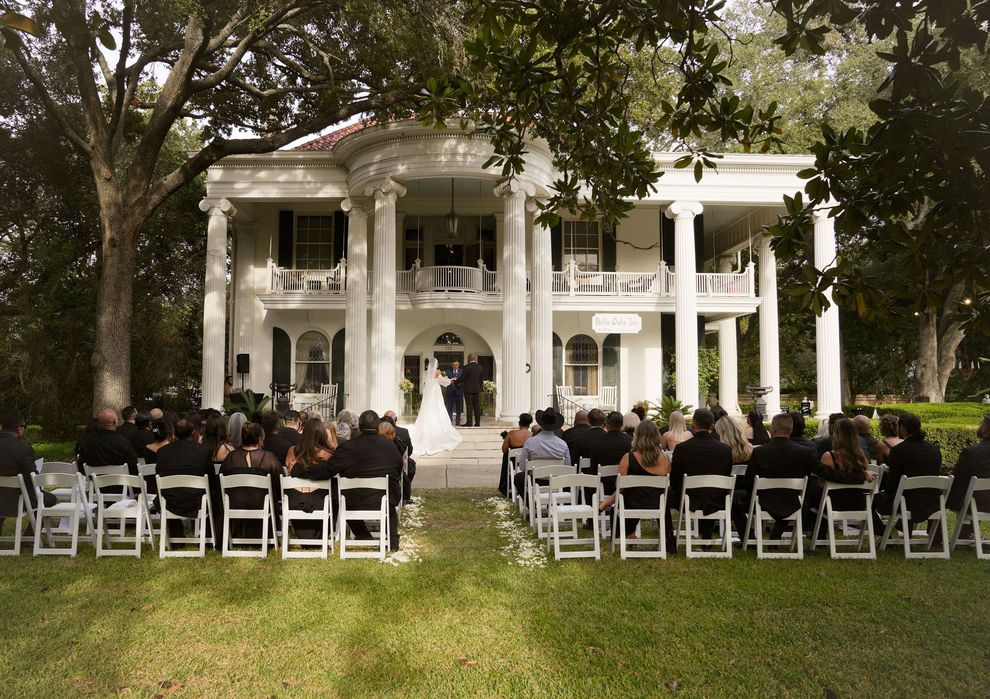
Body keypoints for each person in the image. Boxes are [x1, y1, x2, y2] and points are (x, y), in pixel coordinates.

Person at [323, 410, 403, 551]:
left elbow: (329, 470)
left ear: (358, 426)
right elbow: (398, 469)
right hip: (383, 499)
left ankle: (363, 534)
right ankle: (392, 540)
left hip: (352, 500)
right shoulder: (391, 447)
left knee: (338, 492)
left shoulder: (347, 447)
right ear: (378, 427)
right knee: (390, 495)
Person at [742, 414, 818, 538]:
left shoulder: (760, 452)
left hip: (763, 501)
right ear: (791, 430)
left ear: (773, 429)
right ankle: (775, 535)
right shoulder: (804, 452)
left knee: (739, 501)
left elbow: (748, 481)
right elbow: (820, 471)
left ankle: (752, 538)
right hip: (794, 502)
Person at [599, 420, 672, 545]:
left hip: (631, 505)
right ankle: (633, 536)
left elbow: (620, 489)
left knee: (621, 503)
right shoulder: (665, 459)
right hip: (657, 504)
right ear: (657, 436)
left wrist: (604, 504)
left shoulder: (628, 458)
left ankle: (626, 535)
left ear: (637, 436)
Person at [668, 409, 733, 541]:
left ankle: (668, 539)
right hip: (717, 499)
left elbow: (674, 480)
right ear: (712, 425)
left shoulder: (682, 448)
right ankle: (706, 539)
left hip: (689, 498)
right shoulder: (725, 449)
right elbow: (726, 474)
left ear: (694, 424)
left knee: (662, 495)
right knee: (709, 491)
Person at [872, 412, 942, 532]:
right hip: (932, 502)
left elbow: (892, 483)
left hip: (906, 502)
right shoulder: (934, 450)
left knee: (872, 501)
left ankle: (884, 535)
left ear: (902, 428)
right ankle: (935, 538)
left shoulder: (899, 451)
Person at [803, 418, 874, 533]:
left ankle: (814, 532)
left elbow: (822, 483)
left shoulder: (829, 456)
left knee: (812, 489)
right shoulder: (862, 458)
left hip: (831, 504)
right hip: (858, 503)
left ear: (836, 435)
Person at [220, 421, 281, 539]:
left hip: (235, 504)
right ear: (259, 438)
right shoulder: (269, 457)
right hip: (262, 505)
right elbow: (279, 483)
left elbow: (221, 483)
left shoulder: (231, 457)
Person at [155, 417, 214, 540]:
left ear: (175, 433)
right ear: (193, 432)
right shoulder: (203, 450)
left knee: (166, 493)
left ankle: (175, 536)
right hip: (196, 500)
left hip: (169, 501)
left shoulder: (162, 452)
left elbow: (159, 474)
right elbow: (210, 477)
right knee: (214, 493)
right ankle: (208, 536)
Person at [0, 411, 56, 530]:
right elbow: (32, 478)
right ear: (18, 428)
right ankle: (30, 537)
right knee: (49, 498)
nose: (24, 430)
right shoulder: (23, 448)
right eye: (24, 427)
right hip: (16, 500)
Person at [285, 418, 336, 539]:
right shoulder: (328, 454)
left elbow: (290, 470)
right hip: (320, 501)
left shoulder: (292, 451)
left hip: (294, 500)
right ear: (322, 434)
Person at [408, 357, 463, 456]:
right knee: (438, 407)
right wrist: (451, 380)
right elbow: (442, 381)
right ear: (436, 365)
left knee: (429, 408)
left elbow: (426, 383)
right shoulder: (437, 371)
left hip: (430, 393)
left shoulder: (427, 372)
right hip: (436, 392)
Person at [946, 415, 990, 534]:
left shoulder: (972, 452)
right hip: (982, 499)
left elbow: (958, 477)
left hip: (977, 503)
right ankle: (967, 532)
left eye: (981, 423)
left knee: (958, 492)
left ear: (985, 429)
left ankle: (963, 533)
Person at [512, 408, 570, 498]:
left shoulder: (530, 442)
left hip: (535, 479)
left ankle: (529, 503)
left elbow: (523, 467)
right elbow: (567, 467)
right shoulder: (562, 444)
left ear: (540, 424)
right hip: (555, 480)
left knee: (518, 478)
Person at [583, 411, 632, 501]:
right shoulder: (629, 441)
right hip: (625, 486)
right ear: (622, 425)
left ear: (607, 425)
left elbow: (593, 467)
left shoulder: (598, 442)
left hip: (604, 485)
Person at [78, 408, 139, 475]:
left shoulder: (88, 442)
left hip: (96, 483)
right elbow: (133, 467)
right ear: (115, 422)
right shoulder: (123, 442)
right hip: (121, 483)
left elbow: (81, 465)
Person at [383, 411, 416, 504]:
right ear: (395, 420)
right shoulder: (402, 433)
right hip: (395, 468)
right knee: (410, 465)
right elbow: (408, 451)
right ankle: (405, 495)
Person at [499, 413, 533, 497]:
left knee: (506, 456)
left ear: (519, 422)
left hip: (514, 463)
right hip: (527, 463)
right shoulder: (532, 435)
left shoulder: (511, 434)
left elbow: (504, 449)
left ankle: (506, 485)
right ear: (529, 424)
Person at [458, 353, 484, 427]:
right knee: (477, 406)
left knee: (469, 406)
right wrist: (479, 388)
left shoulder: (466, 367)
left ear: (468, 359)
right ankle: (477, 423)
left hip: (468, 390)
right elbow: (481, 380)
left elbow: (462, 378)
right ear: (474, 359)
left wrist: (455, 382)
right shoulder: (480, 367)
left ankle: (469, 423)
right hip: (476, 389)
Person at [446, 360, 465, 425]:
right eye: (454, 365)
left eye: (456, 365)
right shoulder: (448, 371)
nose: (455, 366)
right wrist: (451, 380)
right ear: (452, 365)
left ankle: (458, 421)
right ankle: (449, 419)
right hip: (450, 391)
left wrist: (457, 382)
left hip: (459, 391)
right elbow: (446, 380)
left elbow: (463, 380)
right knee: (450, 407)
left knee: (459, 407)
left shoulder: (462, 371)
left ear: (458, 364)